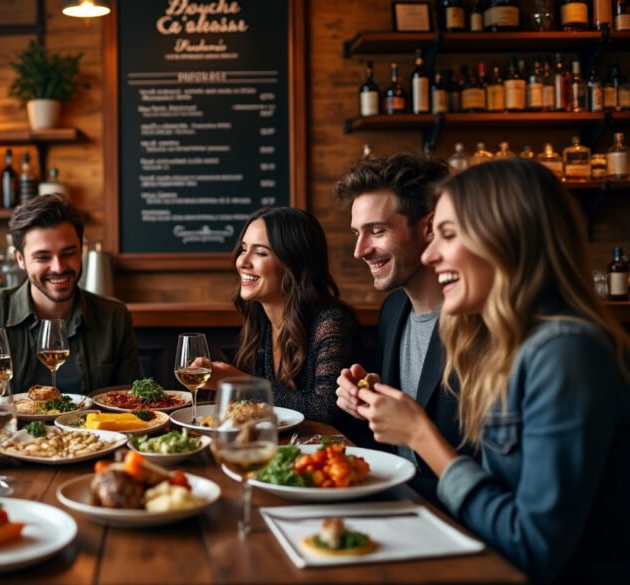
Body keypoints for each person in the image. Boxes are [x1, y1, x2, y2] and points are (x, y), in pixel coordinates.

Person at [358, 158, 629, 583]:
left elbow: (532, 547)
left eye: (447, 234)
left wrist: (421, 436)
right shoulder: (507, 346)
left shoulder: (565, 354)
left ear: (505, 237)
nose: (430, 253)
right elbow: (493, 498)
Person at [0, 194, 141, 407]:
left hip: (91, 443)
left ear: (82, 250)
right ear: (20, 259)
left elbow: (134, 399)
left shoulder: (114, 316)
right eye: (43, 257)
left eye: (69, 253)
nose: (58, 267)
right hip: (9, 441)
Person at [331, 153, 463, 500]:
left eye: (377, 231)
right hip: (397, 501)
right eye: (357, 234)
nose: (360, 251)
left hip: (457, 519)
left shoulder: (479, 320)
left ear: (429, 228)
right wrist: (368, 402)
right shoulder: (393, 309)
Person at [201, 207, 361, 424]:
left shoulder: (331, 322)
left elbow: (326, 408)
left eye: (260, 253)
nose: (242, 262)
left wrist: (241, 382)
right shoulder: (261, 322)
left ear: (294, 264)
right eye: (243, 249)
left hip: (333, 453)